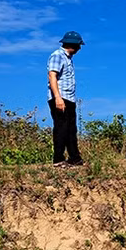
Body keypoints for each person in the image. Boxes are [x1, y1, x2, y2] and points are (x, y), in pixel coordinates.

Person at [47, 31, 84, 167]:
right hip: (60, 97)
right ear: (73, 45)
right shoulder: (57, 55)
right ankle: (58, 159)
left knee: (71, 129)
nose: (79, 48)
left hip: (69, 98)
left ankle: (75, 158)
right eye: (79, 45)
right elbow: (52, 76)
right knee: (61, 128)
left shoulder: (68, 58)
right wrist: (58, 98)